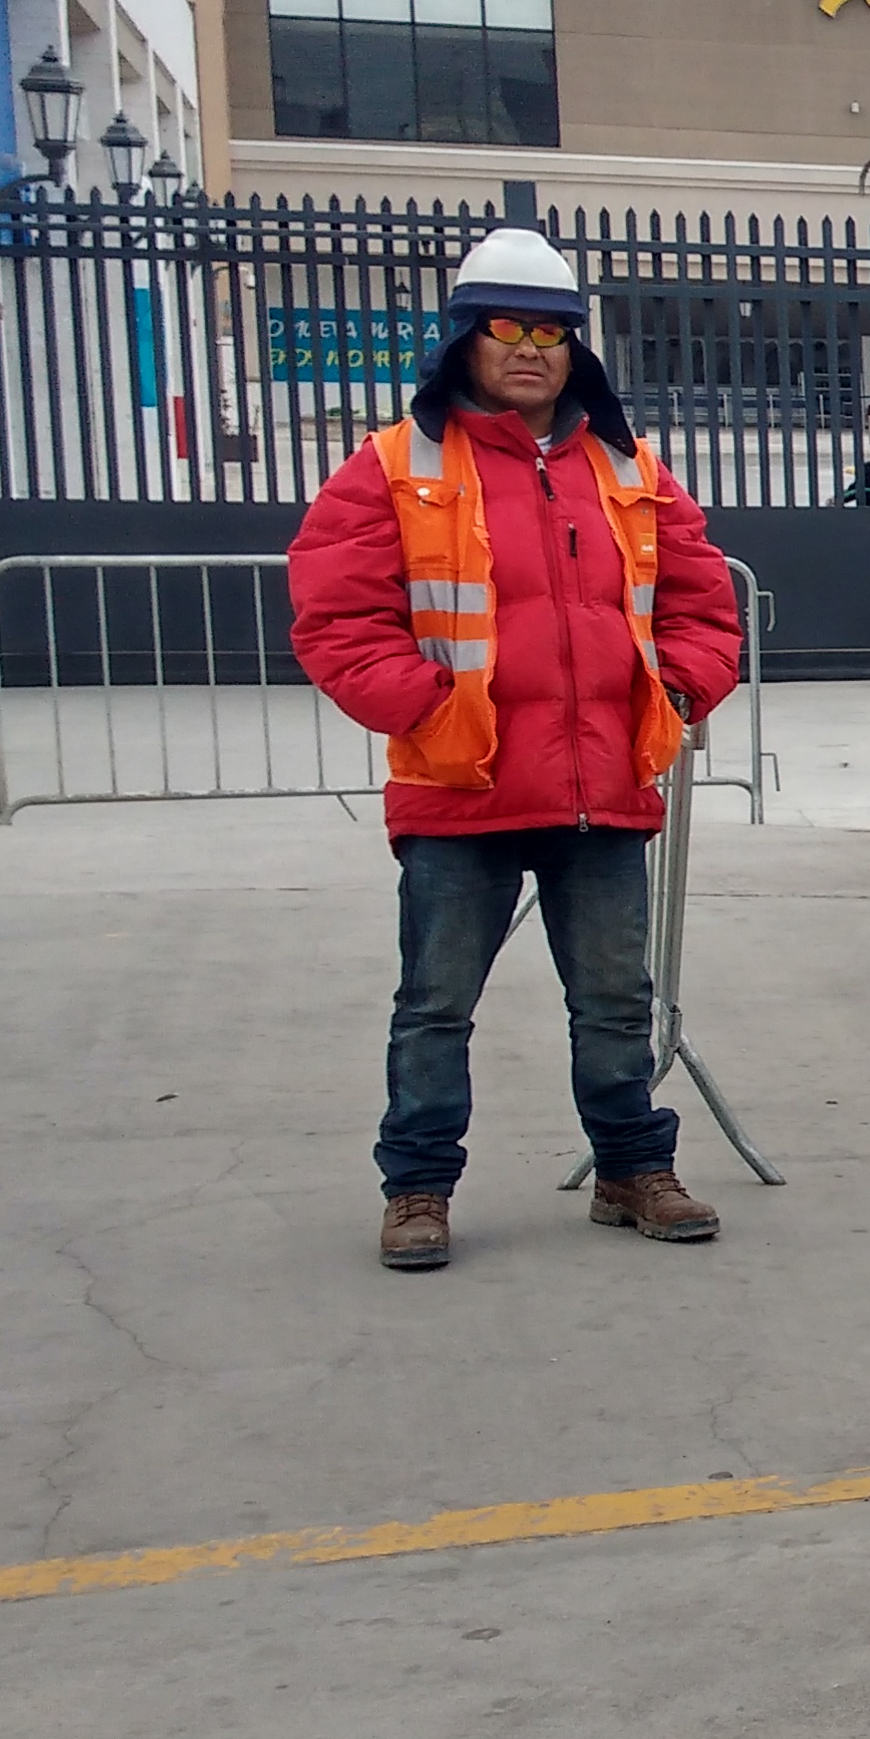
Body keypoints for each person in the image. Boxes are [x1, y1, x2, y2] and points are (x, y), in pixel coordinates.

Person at [287, 228, 746, 1272]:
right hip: (463, 786)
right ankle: (416, 1191)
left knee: (615, 1001)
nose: (530, 348)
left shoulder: (625, 466)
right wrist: (428, 708)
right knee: (437, 1006)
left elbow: (701, 601)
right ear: (465, 339)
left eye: (550, 330)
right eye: (507, 327)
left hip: (601, 791)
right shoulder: (396, 465)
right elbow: (335, 613)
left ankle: (633, 1169)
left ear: (574, 346)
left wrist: (672, 692)